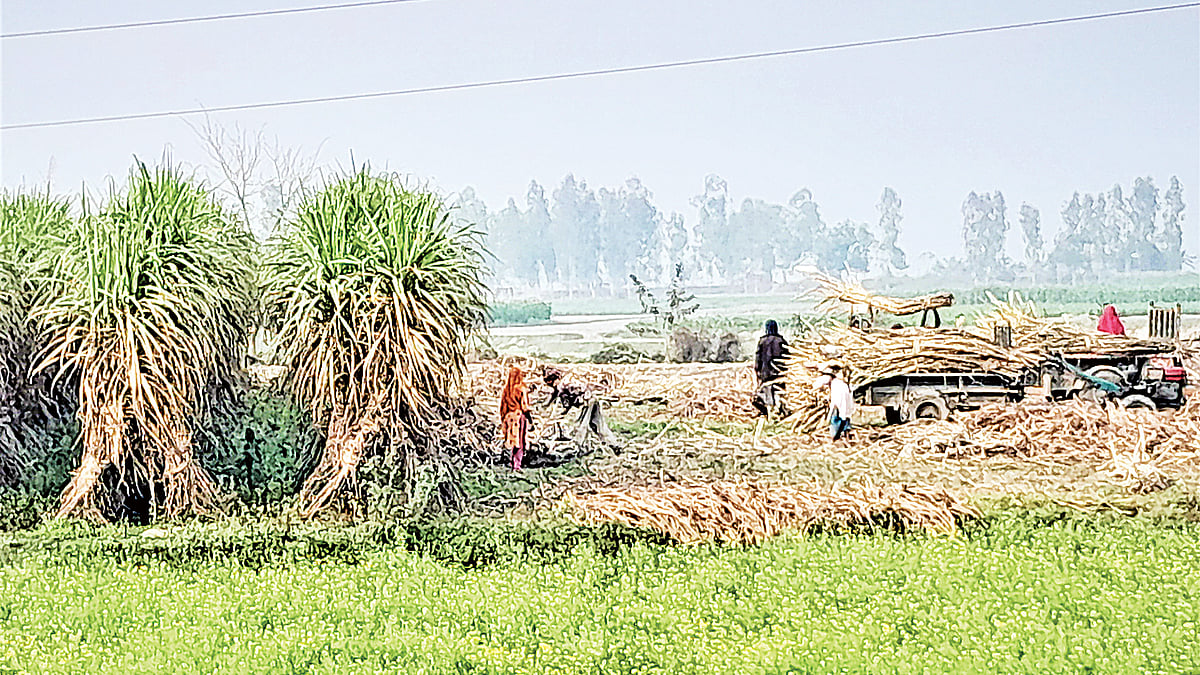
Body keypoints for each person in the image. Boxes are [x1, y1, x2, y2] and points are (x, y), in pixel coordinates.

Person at [753, 319, 789, 417]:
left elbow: (758, 358)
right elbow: (787, 358)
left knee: (768, 395)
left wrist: (758, 371)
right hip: (779, 373)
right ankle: (781, 413)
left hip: (766, 373)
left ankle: (770, 414)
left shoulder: (762, 341)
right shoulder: (781, 341)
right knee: (779, 393)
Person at [499, 366, 532, 470]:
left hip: (509, 417)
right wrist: (530, 419)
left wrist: (504, 418)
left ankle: (511, 461)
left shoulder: (506, 390)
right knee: (520, 441)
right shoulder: (521, 388)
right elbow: (525, 406)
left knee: (512, 441)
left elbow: (502, 406)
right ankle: (517, 465)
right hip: (518, 417)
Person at [815, 364, 853, 441]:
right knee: (845, 414)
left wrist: (814, 388)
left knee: (836, 414)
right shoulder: (843, 381)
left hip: (838, 397)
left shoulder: (830, 378)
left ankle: (835, 435)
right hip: (845, 396)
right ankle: (845, 432)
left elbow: (817, 385)